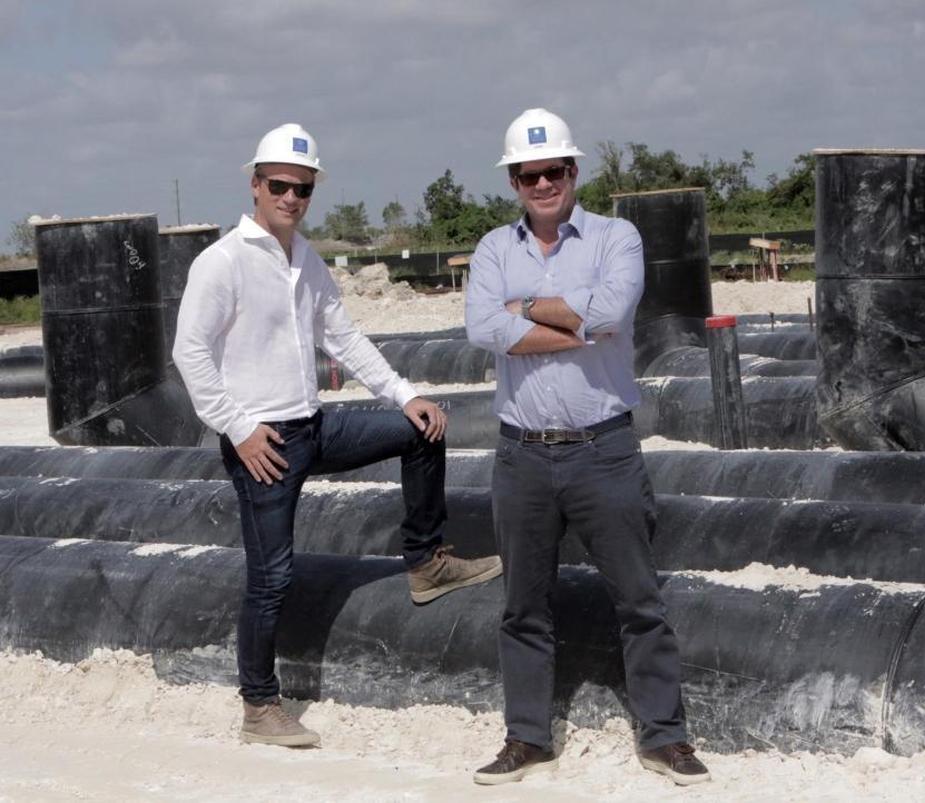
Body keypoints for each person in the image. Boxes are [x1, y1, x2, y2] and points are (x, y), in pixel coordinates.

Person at [173, 123, 502, 748]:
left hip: (315, 426)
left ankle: (426, 562)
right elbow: (190, 353)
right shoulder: (222, 262)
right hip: (262, 441)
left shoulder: (306, 260)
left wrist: (406, 394)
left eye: (302, 188)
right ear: (255, 185)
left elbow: (343, 338)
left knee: (419, 432)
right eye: (279, 186)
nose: (290, 198)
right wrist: (240, 430)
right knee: (271, 577)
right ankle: (259, 707)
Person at [464, 108, 710, 786]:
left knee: (638, 598)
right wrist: (570, 318)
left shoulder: (615, 236)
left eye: (555, 170)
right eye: (529, 173)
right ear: (514, 181)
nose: (543, 182)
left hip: (602, 449)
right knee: (522, 604)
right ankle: (527, 736)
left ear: (574, 172)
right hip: (521, 454)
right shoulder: (492, 249)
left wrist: (526, 308)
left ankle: (665, 735)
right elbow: (483, 327)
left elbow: (610, 313)